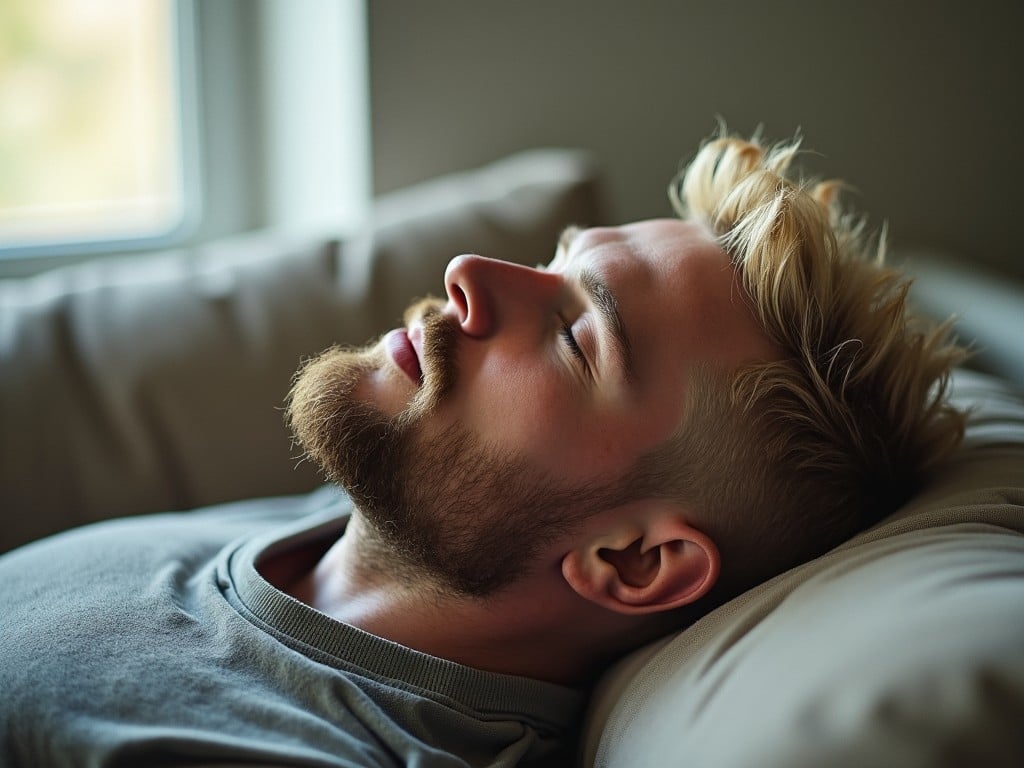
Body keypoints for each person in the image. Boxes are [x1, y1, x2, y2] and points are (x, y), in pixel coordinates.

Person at [0, 131, 965, 767]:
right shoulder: (351, 524)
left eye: (576, 335)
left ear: (633, 561)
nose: (470, 275)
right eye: (551, 264)